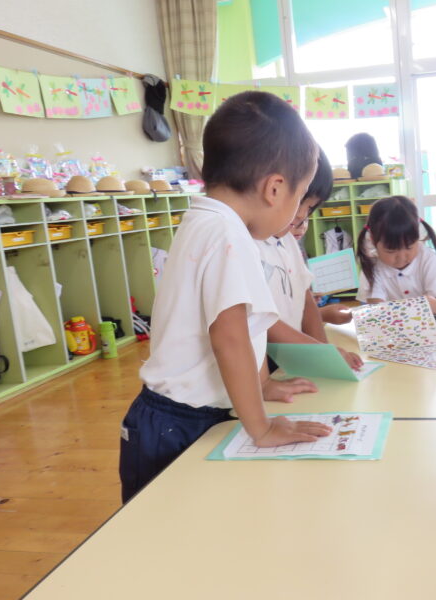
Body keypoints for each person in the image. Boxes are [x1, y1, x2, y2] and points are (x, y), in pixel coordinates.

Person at [119, 92, 332, 503]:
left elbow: (241, 332)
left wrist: (260, 384)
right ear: (275, 188)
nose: (296, 214)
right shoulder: (229, 235)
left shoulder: (204, 219)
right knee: (163, 529)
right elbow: (230, 337)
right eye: (299, 196)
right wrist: (262, 428)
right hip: (178, 423)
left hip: (169, 417)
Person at [256, 149, 361, 370]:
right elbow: (260, 320)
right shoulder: (249, 243)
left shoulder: (288, 241)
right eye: (301, 201)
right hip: (262, 364)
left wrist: (324, 353)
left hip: (290, 357)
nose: (302, 214)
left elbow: (306, 301)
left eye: (310, 207)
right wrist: (321, 353)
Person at [355, 195, 436, 315]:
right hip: (393, 324)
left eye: (409, 247)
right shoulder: (372, 266)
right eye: (391, 251)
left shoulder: (429, 259)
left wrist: (433, 304)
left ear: (417, 236)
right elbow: (376, 308)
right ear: (372, 238)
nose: (401, 258)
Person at [289, 216, 354, 326]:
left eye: (306, 220)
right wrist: (320, 314)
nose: (302, 226)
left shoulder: (295, 244)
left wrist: (308, 297)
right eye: (295, 220)